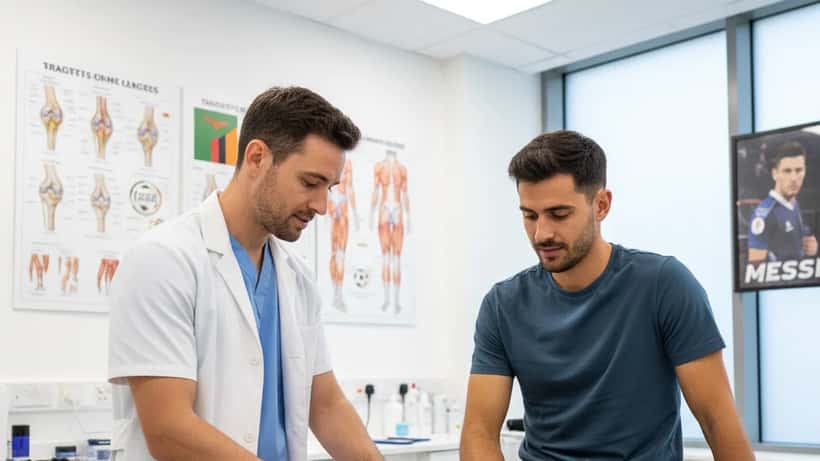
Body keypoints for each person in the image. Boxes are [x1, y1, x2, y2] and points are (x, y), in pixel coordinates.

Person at [108, 87, 383, 461]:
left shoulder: (296, 277)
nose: (321, 206)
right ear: (257, 158)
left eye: (329, 188)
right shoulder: (163, 260)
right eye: (309, 183)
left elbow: (326, 405)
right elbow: (168, 429)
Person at [460, 131, 754, 461]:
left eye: (559, 214)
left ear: (601, 205)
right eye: (530, 215)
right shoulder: (503, 305)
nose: (542, 233)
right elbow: (479, 433)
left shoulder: (664, 285)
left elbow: (717, 420)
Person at [748, 141, 818, 263]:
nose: (794, 178)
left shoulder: (794, 202)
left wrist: (812, 247)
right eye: (787, 171)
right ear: (775, 174)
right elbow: (754, 272)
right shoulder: (764, 216)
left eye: (799, 170)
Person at [369, 149, 410, 312]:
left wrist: (409, 217)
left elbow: (405, 194)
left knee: (396, 259)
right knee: (387, 257)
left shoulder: (402, 169)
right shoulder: (380, 167)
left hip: (396, 208)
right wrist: (372, 214)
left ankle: (396, 301)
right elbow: (376, 191)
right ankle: (387, 299)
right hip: (386, 207)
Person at [328, 158, 359, 311]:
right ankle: (335, 295)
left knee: (340, 254)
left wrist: (356, 213)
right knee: (336, 254)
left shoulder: (348, 163)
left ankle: (338, 295)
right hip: (334, 203)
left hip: (342, 204)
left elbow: (350, 188)